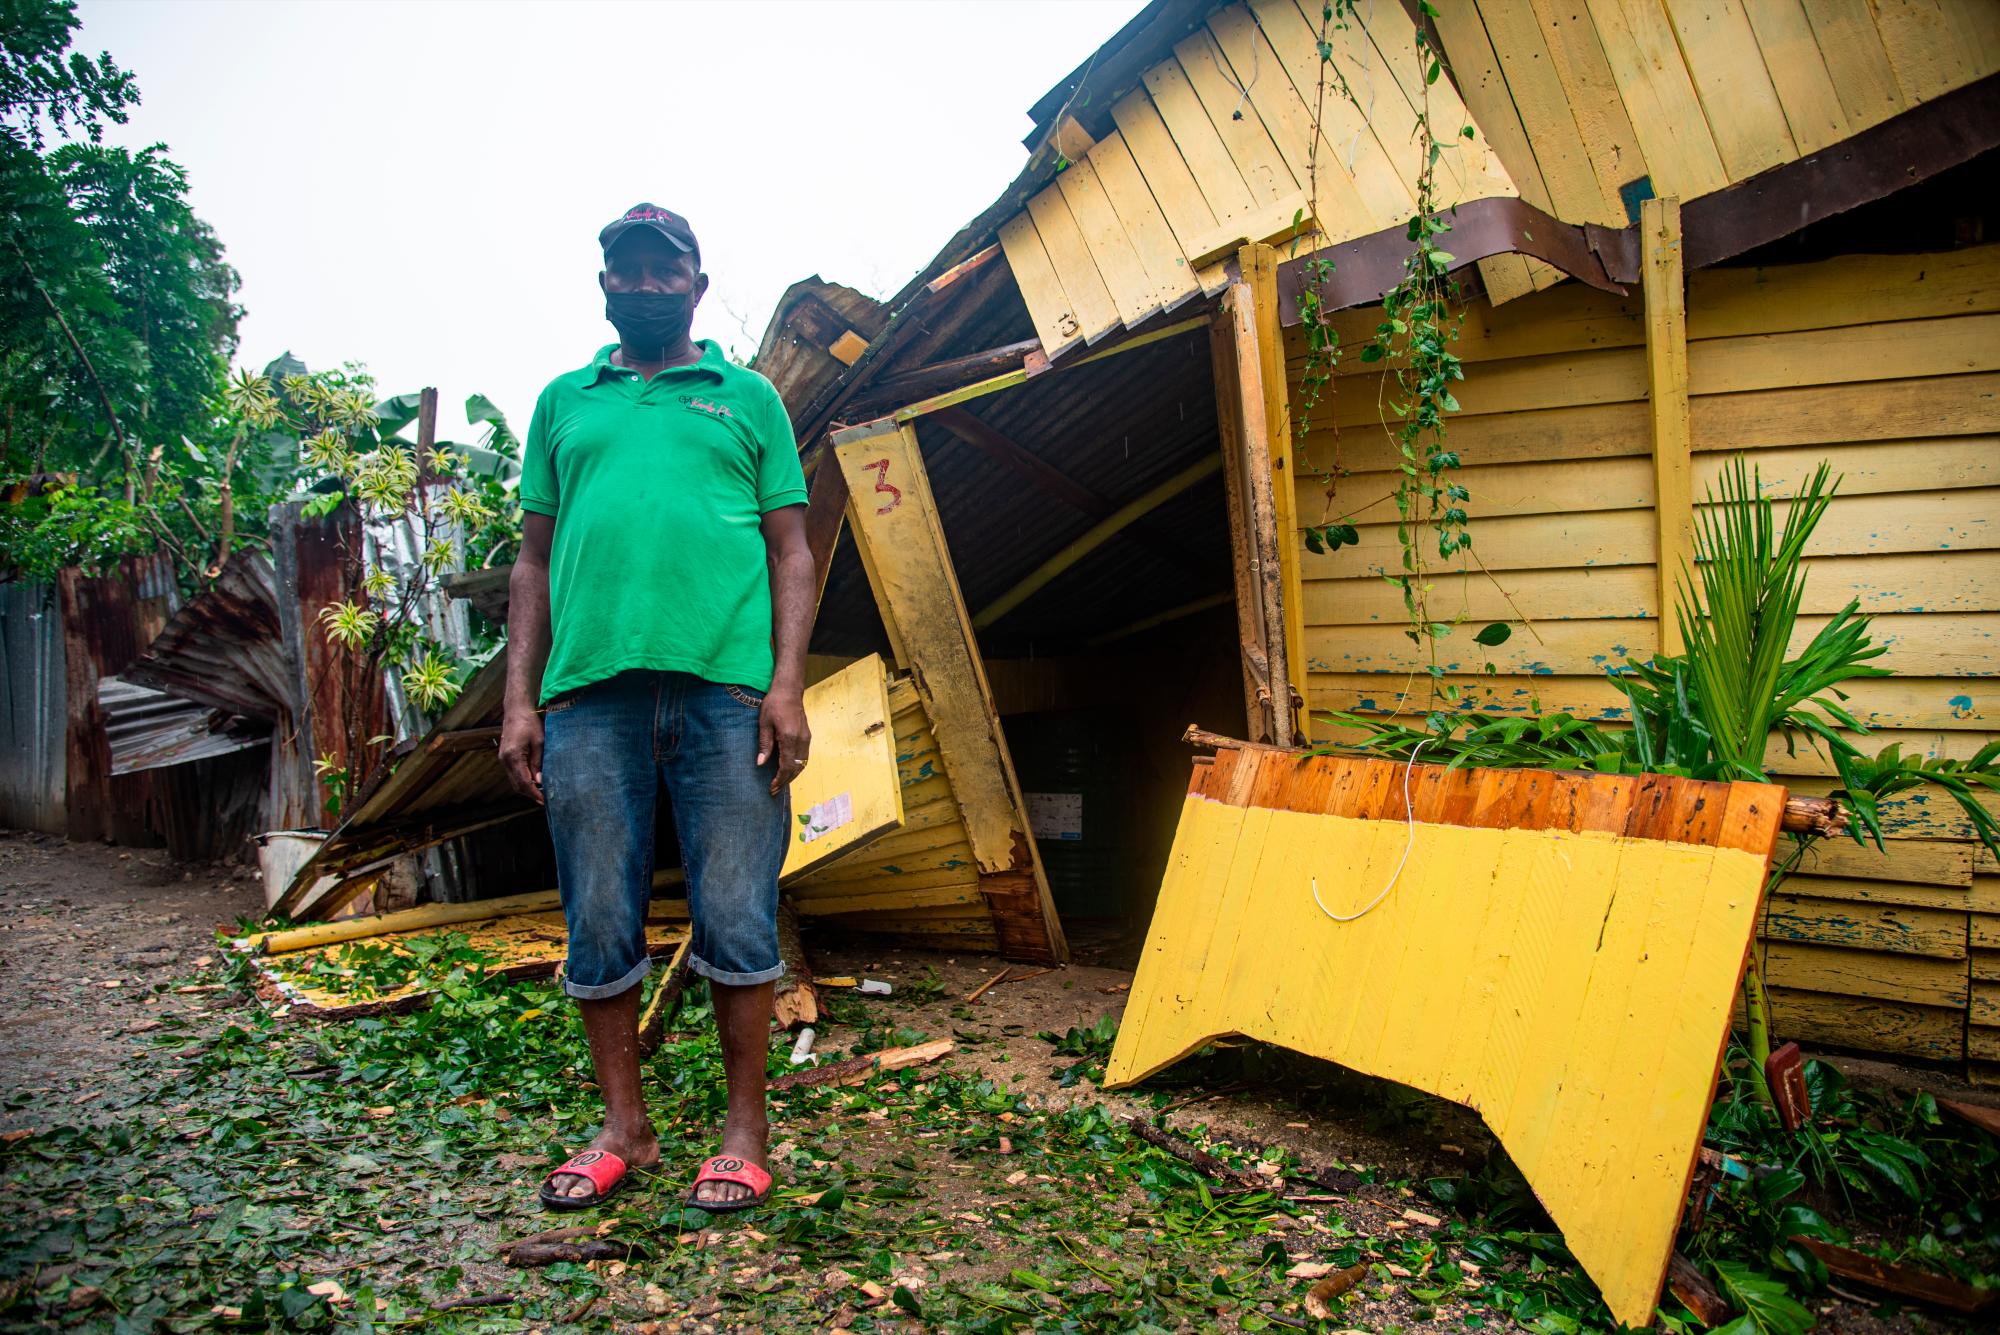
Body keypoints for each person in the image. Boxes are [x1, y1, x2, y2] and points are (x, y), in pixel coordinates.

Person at [500, 203, 814, 1213]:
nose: (641, 283)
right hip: (588, 699)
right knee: (597, 918)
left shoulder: (748, 399)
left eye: (660, 268)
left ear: (695, 283)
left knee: (735, 912)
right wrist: (518, 703)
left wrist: (784, 686)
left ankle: (744, 1129)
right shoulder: (563, 404)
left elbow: (791, 551)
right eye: (622, 270)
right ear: (604, 287)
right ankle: (622, 1130)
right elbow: (533, 561)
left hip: (726, 693)